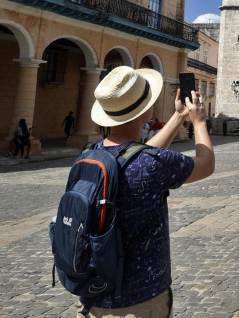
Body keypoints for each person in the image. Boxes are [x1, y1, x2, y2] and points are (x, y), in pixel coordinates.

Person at [81, 66, 214, 317]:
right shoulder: (152, 164)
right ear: (146, 109)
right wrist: (198, 122)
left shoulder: (91, 152)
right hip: (138, 300)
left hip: (92, 294)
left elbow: (135, 155)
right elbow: (206, 165)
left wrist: (178, 117)